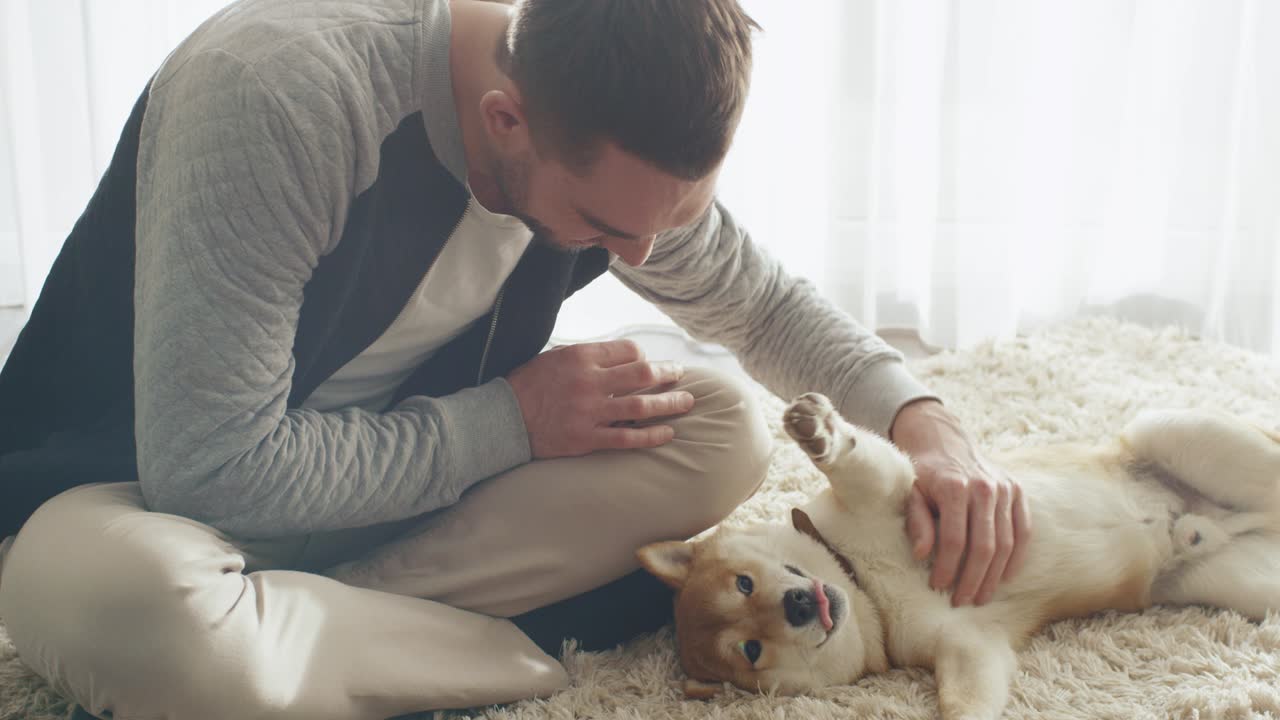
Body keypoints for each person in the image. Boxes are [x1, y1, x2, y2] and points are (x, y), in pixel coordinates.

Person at [0, 0, 1030, 717]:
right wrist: (510, 421)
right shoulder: (280, 96)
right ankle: (471, 647)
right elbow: (210, 469)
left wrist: (923, 425)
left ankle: (328, 635)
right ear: (506, 120)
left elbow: (757, 304)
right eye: (600, 225)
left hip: (391, 504)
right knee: (165, 632)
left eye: (670, 222)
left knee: (723, 426)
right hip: (131, 500)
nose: (639, 255)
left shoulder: (596, 122)